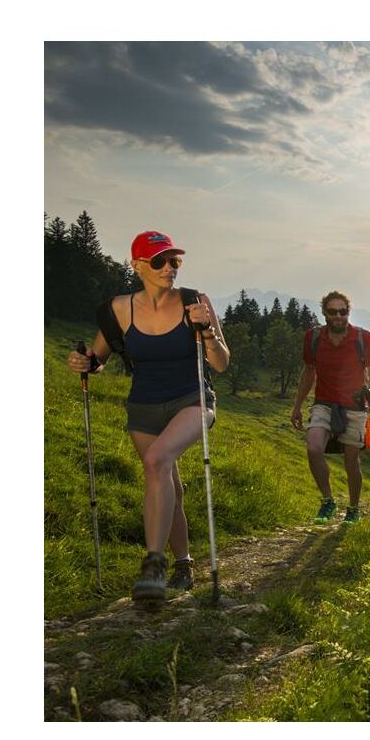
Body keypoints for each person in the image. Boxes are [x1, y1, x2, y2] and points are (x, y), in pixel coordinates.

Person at [66, 231, 230, 602]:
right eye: (160, 261)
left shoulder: (194, 302)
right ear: (138, 266)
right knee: (164, 478)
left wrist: (206, 333)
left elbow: (220, 362)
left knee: (157, 462)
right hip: (143, 407)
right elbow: (98, 359)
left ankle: (153, 566)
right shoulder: (117, 310)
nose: (170, 268)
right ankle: (184, 564)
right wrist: (84, 363)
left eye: (175, 261)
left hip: (193, 399)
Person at [290, 291, 370, 525]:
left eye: (343, 311)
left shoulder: (363, 338)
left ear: (348, 313)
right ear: (324, 313)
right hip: (324, 403)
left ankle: (353, 508)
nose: (339, 316)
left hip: (355, 406)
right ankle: (328, 500)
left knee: (351, 461)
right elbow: (308, 372)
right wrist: (298, 406)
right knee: (313, 448)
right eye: (333, 312)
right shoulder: (312, 338)